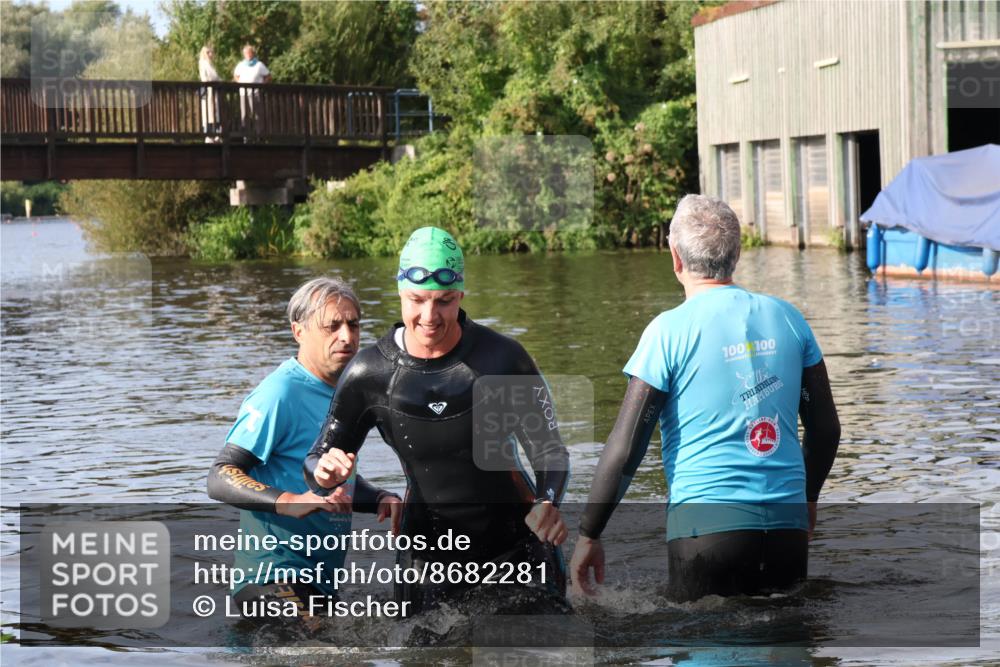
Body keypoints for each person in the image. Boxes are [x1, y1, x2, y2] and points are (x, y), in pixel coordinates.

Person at [570, 195, 840, 602]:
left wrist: (589, 534)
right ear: (737, 253)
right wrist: (808, 499)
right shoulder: (788, 318)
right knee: (786, 630)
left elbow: (626, 449)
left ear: (675, 257)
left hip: (704, 533)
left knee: (702, 631)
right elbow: (825, 430)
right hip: (788, 527)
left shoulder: (667, 332)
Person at [303, 227, 571, 614]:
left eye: (443, 301)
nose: (429, 316)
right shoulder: (369, 374)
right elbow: (317, 460)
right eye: (417, 300)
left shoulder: (502, 359)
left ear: (460, 295)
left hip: (518, 546)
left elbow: (550, 451)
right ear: (400, 292)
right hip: (427, 557)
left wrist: (548, 501)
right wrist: (325, 473)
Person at [207, 277, 402, 625]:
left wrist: (379, 498)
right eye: (332, 326)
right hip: (271, 578)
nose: (347, 336)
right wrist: (289, 501)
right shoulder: (279, 392)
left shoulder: (349, 394)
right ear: (299, 332)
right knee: (327, 648)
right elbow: (220, 475)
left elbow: (333, 484)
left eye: (353, 324)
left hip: (317, 585)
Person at [233, 44, 270, 136]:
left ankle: (259, 134)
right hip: (243, 93)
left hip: (255, 92)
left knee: (257, 114)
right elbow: (236, 75)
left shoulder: (259, 64)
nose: (248, 55)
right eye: (246, 53)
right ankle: (246, 135)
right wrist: (239, 82)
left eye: (249, 53)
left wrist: (262, 85)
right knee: (244, 114)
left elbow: (268, 76)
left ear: (253, 53)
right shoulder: (241, 65)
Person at [198, 46, 221, 142]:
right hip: (209, 90)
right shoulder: (204, 63)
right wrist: (219, 80)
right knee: (209, 112)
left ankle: (214, 133)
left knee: (213, 112)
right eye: (208, 52)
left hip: (212, 90)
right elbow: (211, 77)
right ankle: (210, 134)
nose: (211, 54)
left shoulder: (208, 64)